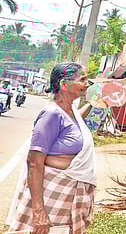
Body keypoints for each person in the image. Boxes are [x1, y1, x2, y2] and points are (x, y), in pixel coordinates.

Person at [7, 63, 95, 234]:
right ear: (64, 85)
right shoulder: (52, 114)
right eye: (82, 79)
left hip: (65, 195)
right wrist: (38, 211)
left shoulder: (71, 111)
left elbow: (75, 121)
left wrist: (94, 102)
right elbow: (34, 162)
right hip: (50, 195)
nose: (87, 83)